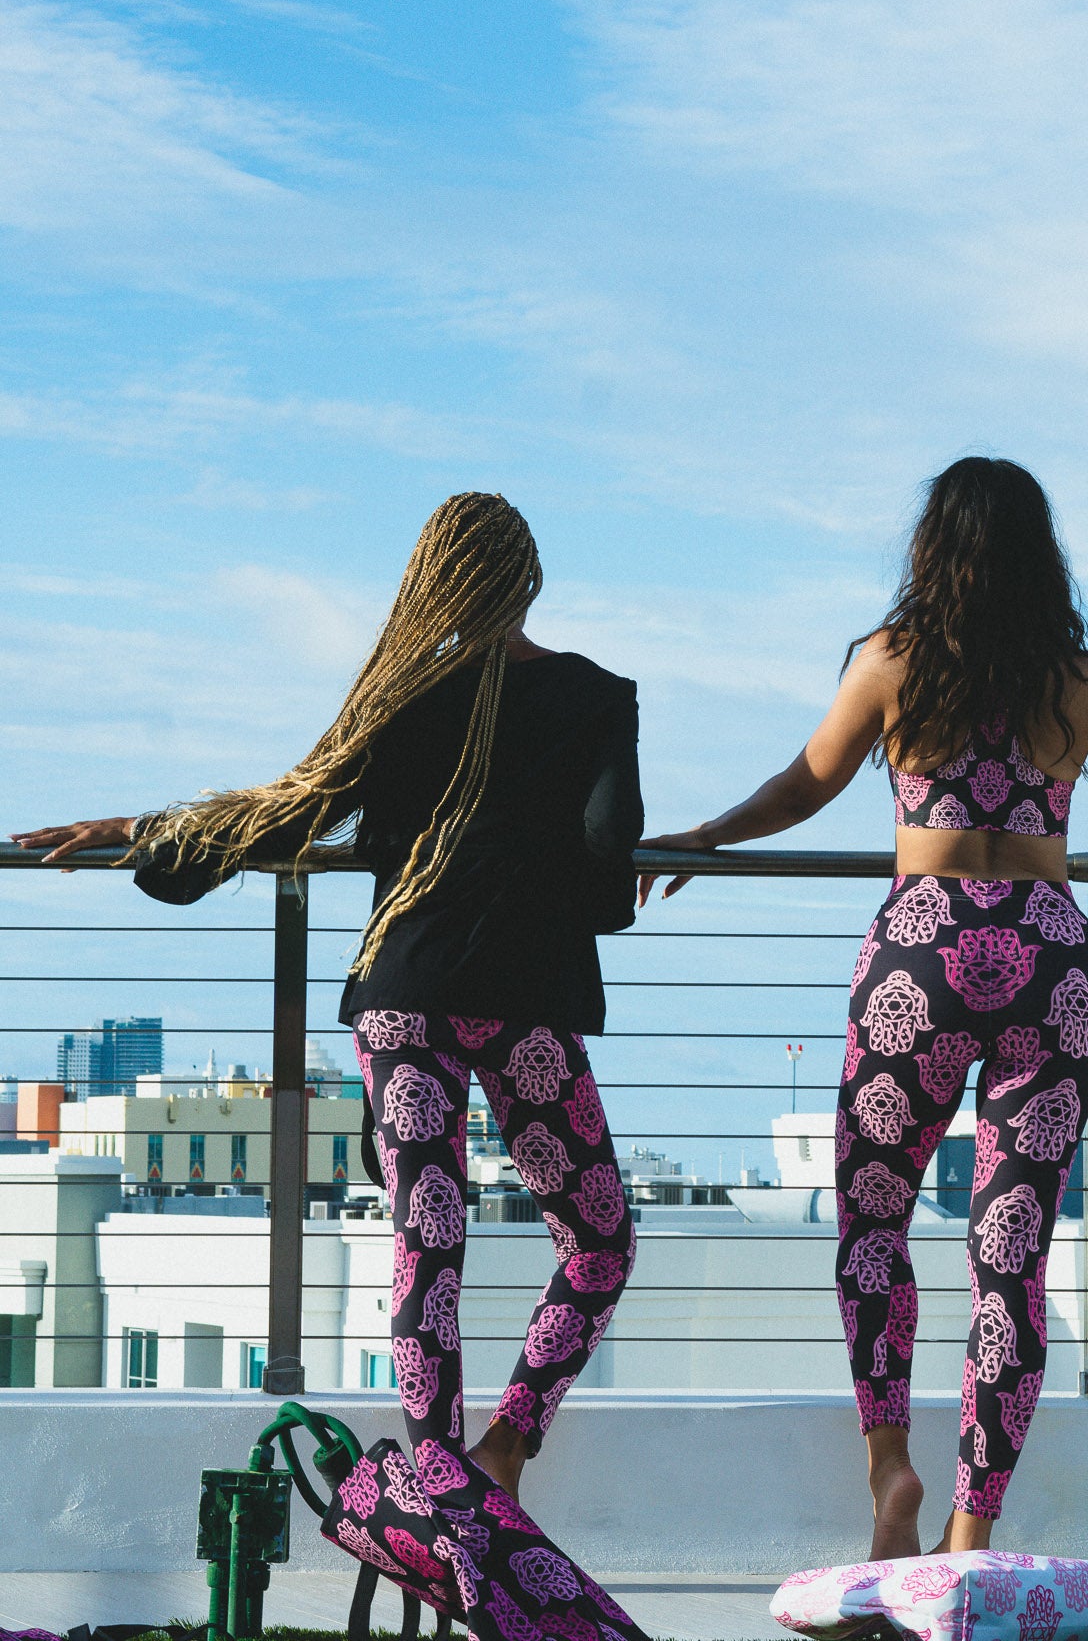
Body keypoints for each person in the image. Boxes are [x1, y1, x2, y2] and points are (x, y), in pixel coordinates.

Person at [639, 456, 1088, 1562]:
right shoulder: (1077, 679)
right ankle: (974, 1530)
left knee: (875, 1218)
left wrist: (704, 834)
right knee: (1008, 1249)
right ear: (1041, 551)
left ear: (931, 545)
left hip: (918, 956)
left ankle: (891, 1466)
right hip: (1048, 959)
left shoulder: (890, 663)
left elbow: (805, 782)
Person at [13, 492, 644, 1510]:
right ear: (529, 578)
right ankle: (505, 1448)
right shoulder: (600, 694)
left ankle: (436, 1493)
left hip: (404, 1003)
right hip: (525, 1007)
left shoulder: (398, 694)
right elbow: (612, 863)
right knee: (599, 1236)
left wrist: (138, 826)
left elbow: (285, 811)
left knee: (426, 1244)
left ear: (430, 578)